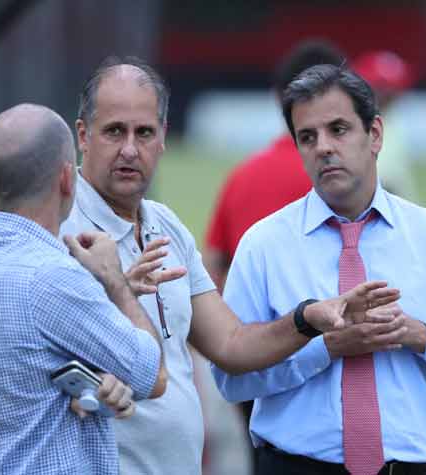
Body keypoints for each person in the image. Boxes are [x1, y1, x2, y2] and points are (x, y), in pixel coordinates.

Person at [60, 56, 396, 475]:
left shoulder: (166, 227)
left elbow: (231, 345)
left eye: (144, 132)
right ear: (82, 136)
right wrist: (114, 289)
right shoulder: (59, 229)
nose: (130, 148)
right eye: (114, 131)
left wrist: (308, 318)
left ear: (163, 137)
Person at [212, 64, 426, 475]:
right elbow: (231, 381)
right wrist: (325, 347)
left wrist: (419, 335)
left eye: (338, 129)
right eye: (307, 137)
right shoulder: (264, 246)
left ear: (375, 135)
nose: (324, 147)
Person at [0, 103, 168, 475]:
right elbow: (152, 375)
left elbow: (36, 362)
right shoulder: (53, 276)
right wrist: (115, 282)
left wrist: (100, 384)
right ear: (67, 179)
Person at [204, 40, 345, 290]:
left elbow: (211, 271)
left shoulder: (241, 177)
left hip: (247, 323)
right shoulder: (343, 177)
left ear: (278, 96)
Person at [351, 50, 418, 200]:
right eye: (380, 87)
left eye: (395, 88)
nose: (388, 94)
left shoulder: (392, 124)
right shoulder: (353, 127)